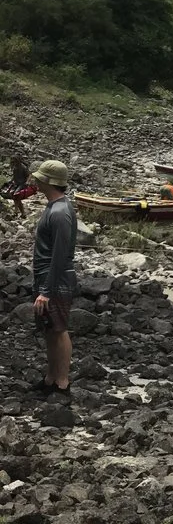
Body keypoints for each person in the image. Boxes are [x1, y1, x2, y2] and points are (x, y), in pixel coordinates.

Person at [27, 160, 76, 395]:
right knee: (50, 329)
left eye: (39, 178)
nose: (36, 181)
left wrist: (46, 291)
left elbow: (60, 255)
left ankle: (62, 382)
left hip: (56, 280)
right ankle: (50, 378)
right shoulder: (54, 207)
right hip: (46, 277)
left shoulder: (60, 212)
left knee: (59, 329)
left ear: (48, 181)